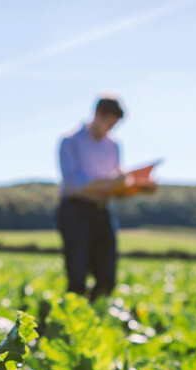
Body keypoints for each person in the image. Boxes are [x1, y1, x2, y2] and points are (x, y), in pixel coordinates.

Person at [56, 95, 135, 299]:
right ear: (98, 114)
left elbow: (113, 185)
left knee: (107, 276)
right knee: (77, 275)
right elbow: (74, 184)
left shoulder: (113, 145)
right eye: (109, 123)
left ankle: (95, 319)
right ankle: (73, 322)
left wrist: (133, 187)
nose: (111, 129)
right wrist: (111, 183)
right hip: (75, 211)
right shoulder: (70, 141)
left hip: (102, 210)